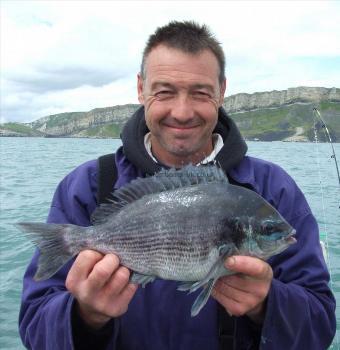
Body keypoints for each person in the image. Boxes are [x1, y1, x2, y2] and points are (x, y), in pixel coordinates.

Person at [19, 21, 336, 350]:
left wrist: (267, 304)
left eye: (200, 93)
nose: (182, 112)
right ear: (141, 89)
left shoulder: (275, 189)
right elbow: (35, 326)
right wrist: (84, 315)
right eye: (165, 91)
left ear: (221, 91)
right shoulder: (86, 187)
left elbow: (320, 326)